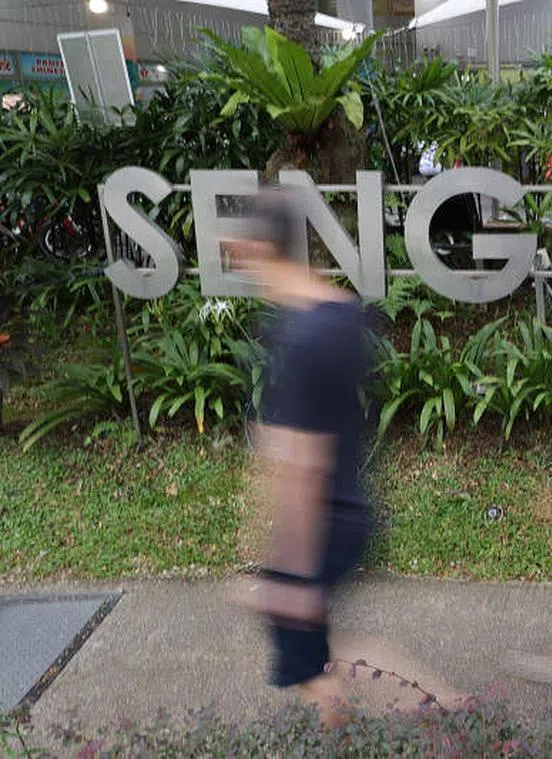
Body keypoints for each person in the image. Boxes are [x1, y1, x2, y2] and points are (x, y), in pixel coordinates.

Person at [230, 188, 375, 729]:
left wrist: (292, 577)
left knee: (309, 665)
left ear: (258, 247)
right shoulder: (340, 312)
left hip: (319, 526)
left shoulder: (302, 337)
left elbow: (302, 465)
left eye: (236, 250)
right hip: (348, 510)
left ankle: (447, 714)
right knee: (316, 654)